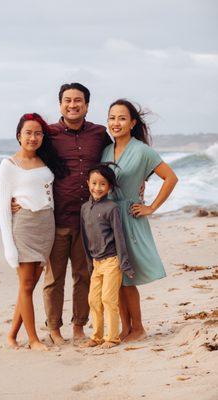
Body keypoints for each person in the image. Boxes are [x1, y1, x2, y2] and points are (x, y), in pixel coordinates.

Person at [12, 83, 112, 345]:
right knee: (54, 278)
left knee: (84, 275)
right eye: (67, 100)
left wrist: (140, 181)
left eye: (78, 100)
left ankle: (79, 326)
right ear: (60, 105)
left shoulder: (100, 134)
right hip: (54, 218)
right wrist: (15, 196)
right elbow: (25, 161)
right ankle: (54, 329)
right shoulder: (50, 134)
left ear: (87, 105)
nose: (73, 105)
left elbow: (117, 158)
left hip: (89, 219)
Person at [101, 99, 178, 342]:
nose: (116, 123)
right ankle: (126, 328)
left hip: (130, 218)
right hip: (108, 218)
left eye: (122, 118)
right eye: (112, 117)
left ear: (133, 123)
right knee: (115, 277)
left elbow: (171, 178)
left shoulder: (143, 150)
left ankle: (139, 328)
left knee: (126, 276)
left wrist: (151, 207)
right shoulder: (105, 150)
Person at [0, 113, 65, 350]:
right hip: (24, 226)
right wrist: (9, 248)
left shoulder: (46, 162)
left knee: (29, 285)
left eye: (38, 133)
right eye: (28, 133)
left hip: (46, 225)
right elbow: (3, 208)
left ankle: (11, 335)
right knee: (26, 285)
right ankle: (33, 339)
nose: (33, 137)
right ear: (19, 135)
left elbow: (50, 197)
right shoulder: (9, 165)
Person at [80, 163, 135, 349]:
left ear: (109, 187)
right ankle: (96, 337)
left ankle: (112, 338)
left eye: (102, 184)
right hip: (96, 263)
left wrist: (125, 263)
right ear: (88, 183)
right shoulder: (85, 208)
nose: (97, 188)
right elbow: (85, 237)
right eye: (94, 183)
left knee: (108, 299)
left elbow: (120, 237)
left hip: (112, 261)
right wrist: (90, 263)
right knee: (93, 300)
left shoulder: (112, 208)